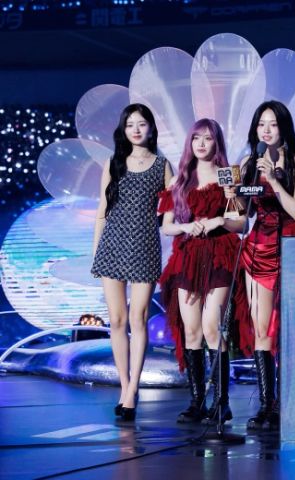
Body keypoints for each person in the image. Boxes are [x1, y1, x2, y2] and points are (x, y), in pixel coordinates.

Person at [158, 118, 245, 424]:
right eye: (197, 138)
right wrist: (187, 227)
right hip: (188, 256)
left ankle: (221, 402)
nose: (202, 144)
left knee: (211, 327)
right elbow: (167, 226)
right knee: (192, 330)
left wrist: (219, 220)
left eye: (208, 138)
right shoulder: (181, 178)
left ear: (216, 142)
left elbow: (241, 222)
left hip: (220, 254)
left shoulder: (228, 173)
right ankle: (197, 401)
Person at [92, 103, 172, 421]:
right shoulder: (114, 163)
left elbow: (173, 207)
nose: (136, 129)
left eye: (141, 124)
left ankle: (133, 389)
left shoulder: (162, 166)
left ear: (151, 128)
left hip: (145, 247)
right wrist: (96, 251)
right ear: (123, 130)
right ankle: (124, 386)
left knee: (138, 319)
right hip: (112, 245)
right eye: (130, 125)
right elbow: (102, 210)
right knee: (116, 320)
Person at [235, 101, 295, 431]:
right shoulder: (248, 163)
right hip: (258, 248)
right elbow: (245, 213)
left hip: (291, 248)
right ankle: (267, 405)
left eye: (272, 124)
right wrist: (234, 194)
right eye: (261, 124)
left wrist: (274, 181)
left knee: (289, 330)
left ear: (284, 127)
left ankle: (289, 402)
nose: (266, 130)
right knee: (261, 329)